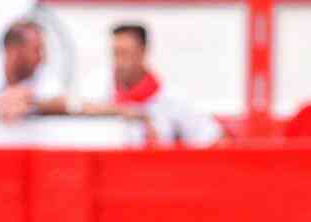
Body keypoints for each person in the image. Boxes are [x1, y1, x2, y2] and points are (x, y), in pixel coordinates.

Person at [82, 23, 221, 147]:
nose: (118, 62)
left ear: (143, 52)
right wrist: (121, 111)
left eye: (125, 54)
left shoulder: (172, 98)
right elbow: (80, 110)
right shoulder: (98, 84)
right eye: (115, 53)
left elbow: (212, 139)